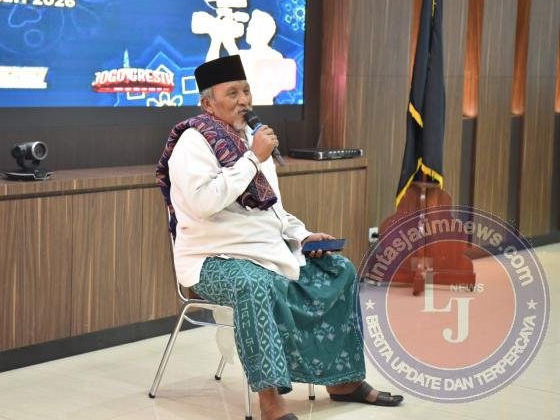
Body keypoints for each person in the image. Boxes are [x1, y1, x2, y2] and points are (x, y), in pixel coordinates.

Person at [156, 55, 403, 420]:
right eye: (232, 93)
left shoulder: (252, 140)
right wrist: (252, 160)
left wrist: (303, 236)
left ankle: (344, 382)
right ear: (208, 103)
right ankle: (270, 401)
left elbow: (274, 211)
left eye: (246, 91)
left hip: (268, 251)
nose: (244, 100)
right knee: (254, 285)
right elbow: (203, 203)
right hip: (211, 260)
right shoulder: (193, 143)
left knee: (340, 270)